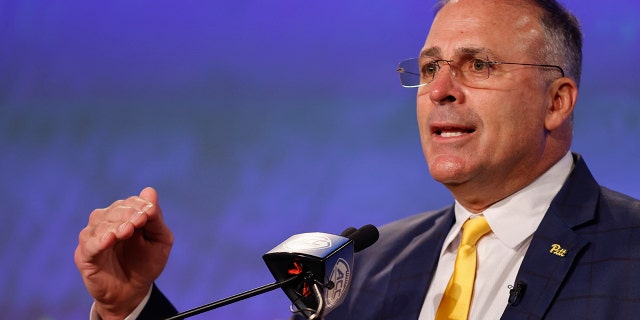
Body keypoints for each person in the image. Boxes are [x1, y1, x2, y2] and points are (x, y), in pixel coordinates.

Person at [75, 0, 640, 319]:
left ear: (557, 101)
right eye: (428, 68)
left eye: (479, 65)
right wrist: (131, 307)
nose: (439, 90)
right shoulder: (360, 269)